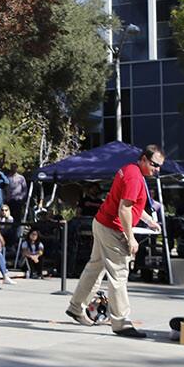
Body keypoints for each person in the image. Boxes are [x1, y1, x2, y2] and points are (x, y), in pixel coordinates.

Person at [64, 145, 164, 338]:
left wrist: (149, 220)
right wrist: (131, 238)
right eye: (154, 164)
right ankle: (121, 323)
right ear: (143, 159)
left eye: (159, 166)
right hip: (112, 228)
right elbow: (124, 209)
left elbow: (132, 204)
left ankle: (76, 307)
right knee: (119, 274)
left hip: (102, 223)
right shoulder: (135, 177)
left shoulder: (130, 170)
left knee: (95, 268)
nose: (157, 169)